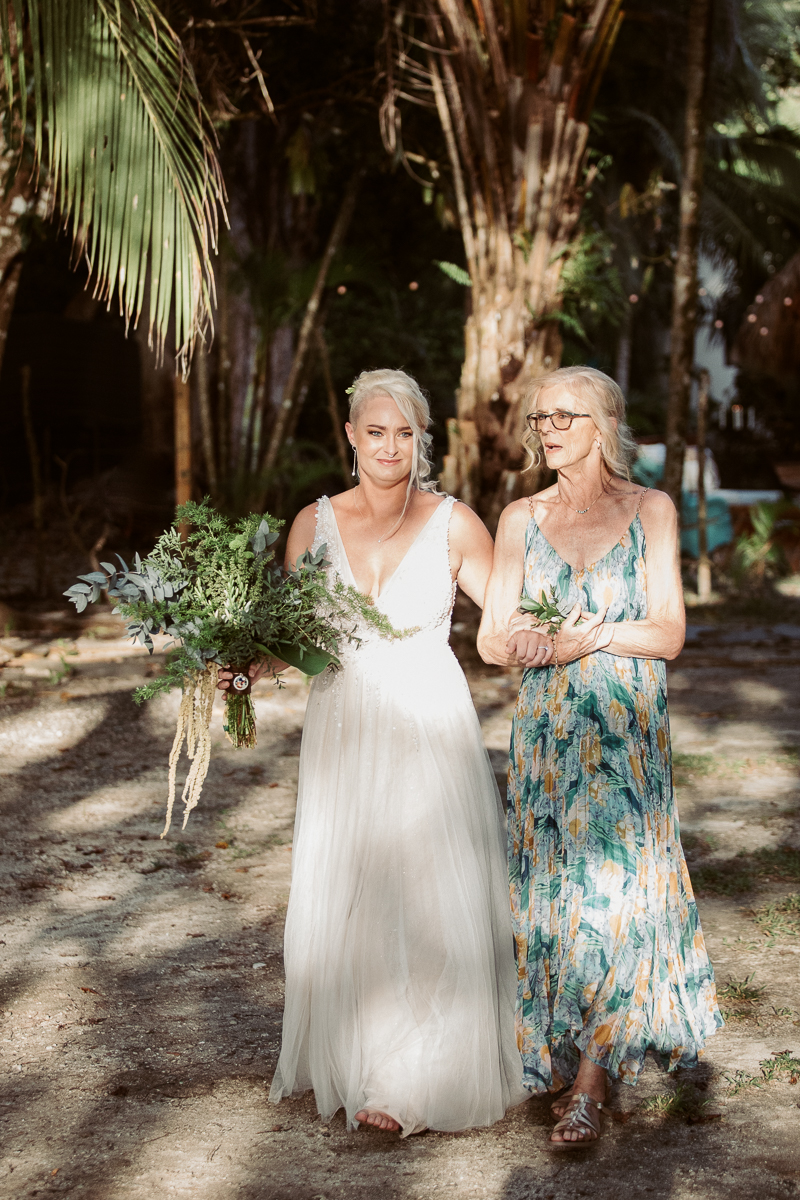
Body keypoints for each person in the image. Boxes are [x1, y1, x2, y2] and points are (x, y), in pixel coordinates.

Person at [228, 368, 526, 1136]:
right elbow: (300, 642)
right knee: (355, 886)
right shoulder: (311, 523)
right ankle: (362, 1055)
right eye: (376, 431)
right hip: (344, 721)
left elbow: (509, 627)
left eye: (405, 433)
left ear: (420, 440)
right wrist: (243, 660)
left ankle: (411, 1076)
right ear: (351, 437)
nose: (390, 446)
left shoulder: (457, 523)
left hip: (429, 718)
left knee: (430, 888)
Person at [477, 365, 722, 1149]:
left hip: (624, 733)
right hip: (548, 736)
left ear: (604, 423)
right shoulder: (519, 517)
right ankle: (563, 1053)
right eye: (540, 417)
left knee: (619, 897)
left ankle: (591, 1082)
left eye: (565, 416)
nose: (547, 429)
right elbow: (488, 640)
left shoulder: (651, 510)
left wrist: (598, 636)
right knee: (555, 900)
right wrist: (530, 643)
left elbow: (671, 633)